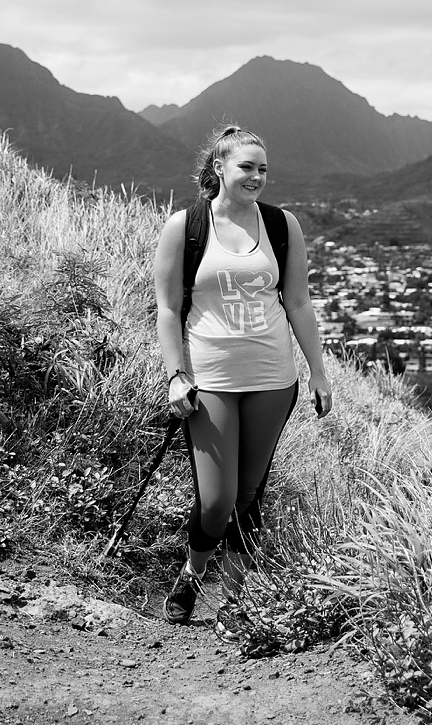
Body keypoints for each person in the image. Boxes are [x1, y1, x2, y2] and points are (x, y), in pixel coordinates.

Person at [151, 126, 332, 638]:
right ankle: (193, 572)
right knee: (217, 498)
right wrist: (175, 374)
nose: (256, 177)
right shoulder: (185, 226)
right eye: (246, 167)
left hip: (273, 378)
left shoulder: (281, 224)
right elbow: (167, 309)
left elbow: (297, 302)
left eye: (263, 169)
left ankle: (234, 597)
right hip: (209, 379)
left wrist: (317, 371)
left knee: (250, 492)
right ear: (218, 169)